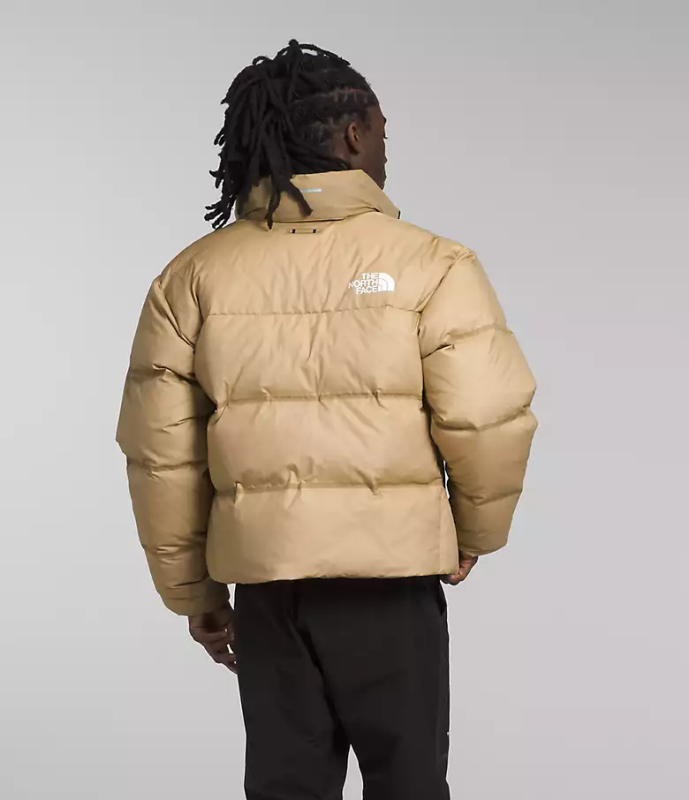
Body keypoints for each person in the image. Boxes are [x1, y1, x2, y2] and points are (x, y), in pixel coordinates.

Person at [116, 39, 537, 800]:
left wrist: (195, 594)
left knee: (286, 788)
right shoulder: (433, 263)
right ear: (352, 134)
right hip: (391, 585)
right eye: (381, 131)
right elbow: (487, 416)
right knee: (408, 785)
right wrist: (474, 533)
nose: (385, 148)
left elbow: (161, 452)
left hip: (267, 591)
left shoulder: (192, 276)